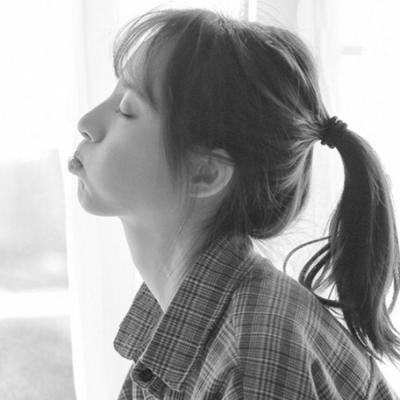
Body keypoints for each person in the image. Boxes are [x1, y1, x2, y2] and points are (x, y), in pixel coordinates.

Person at [71, 7, 400, 399]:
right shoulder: (183, 314)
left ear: (205, 173)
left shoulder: (256, 352)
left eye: (127, 110)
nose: (87, 123)